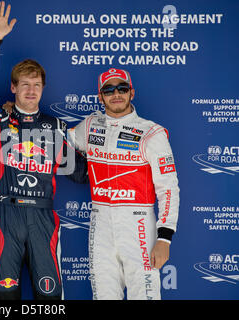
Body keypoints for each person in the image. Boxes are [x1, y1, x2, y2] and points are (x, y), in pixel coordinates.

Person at [0, 1, 87, 300]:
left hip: (43, 218)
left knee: (50, 297)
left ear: (43, 88)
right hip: (5, 214)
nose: (31, 90)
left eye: (36, 85)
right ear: (13, 87)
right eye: (24, 84)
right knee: (5, 299)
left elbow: (82, 173)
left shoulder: (55, 126)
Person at [68, 68, 180, 300]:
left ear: (132, 93)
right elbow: (56, 141)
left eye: (122, 88)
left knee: (145, 295)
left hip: (138, 223)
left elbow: (169, 188)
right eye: (109, 89)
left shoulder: (151, 132)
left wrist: (164, 238)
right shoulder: (89, 126)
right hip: (100, 223)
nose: (116, 94)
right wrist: (18, 117)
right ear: (100, 96)